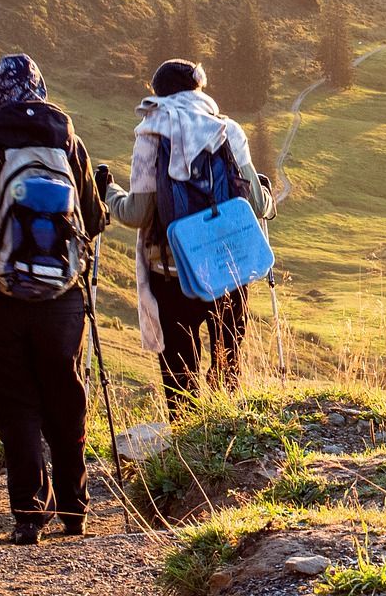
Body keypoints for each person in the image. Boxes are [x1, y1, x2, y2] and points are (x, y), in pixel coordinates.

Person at [0, 54, 104, 545]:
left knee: (16, 404)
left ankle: (30, 514)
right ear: (40, 89)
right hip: (62, 299)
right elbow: (91, 222)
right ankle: (76, 509)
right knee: (65, 397)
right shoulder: (70, 144)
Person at [102, 59, 276, 417]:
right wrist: (267, 195)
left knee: (180, 379)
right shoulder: (228, 130)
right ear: (199, 89)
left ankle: (187, 454)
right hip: (228, 270)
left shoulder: (151, 134)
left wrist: (109, 194)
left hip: (171, 272)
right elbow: (256, 205)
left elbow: (137, 214)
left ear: (159, 94)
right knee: (228, 369)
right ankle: (227, 451)